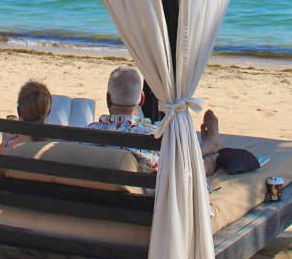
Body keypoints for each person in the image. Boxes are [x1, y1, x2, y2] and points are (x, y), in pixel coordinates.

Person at [88, 66, 224, 176]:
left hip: (93, 198)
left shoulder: (88, 132)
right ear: (142, 99)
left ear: (107, 98)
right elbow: (176, 165)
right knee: (188, 163)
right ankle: (208, 148)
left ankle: (208, 148)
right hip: (142, 198)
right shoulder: (153, 135)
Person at [0, 80, 52, 176]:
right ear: (49, 112)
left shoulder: (6, 149)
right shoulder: (58, 147)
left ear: (19, 112)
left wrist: (6, 144)